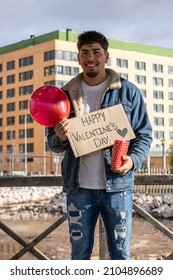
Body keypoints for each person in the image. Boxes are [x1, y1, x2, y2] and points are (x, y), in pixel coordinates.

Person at [47, 31, 152, 260]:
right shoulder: (63, 95)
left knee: (121, 255)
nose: (90, 57)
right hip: (78, 188)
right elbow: (53, 145)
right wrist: (60, 137)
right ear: (78, 58)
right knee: (79, 255)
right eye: (85, 52)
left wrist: (132, 160)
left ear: (106, 55)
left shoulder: (128, 91)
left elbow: (144, 135)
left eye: (96, 52)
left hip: (117, 187)